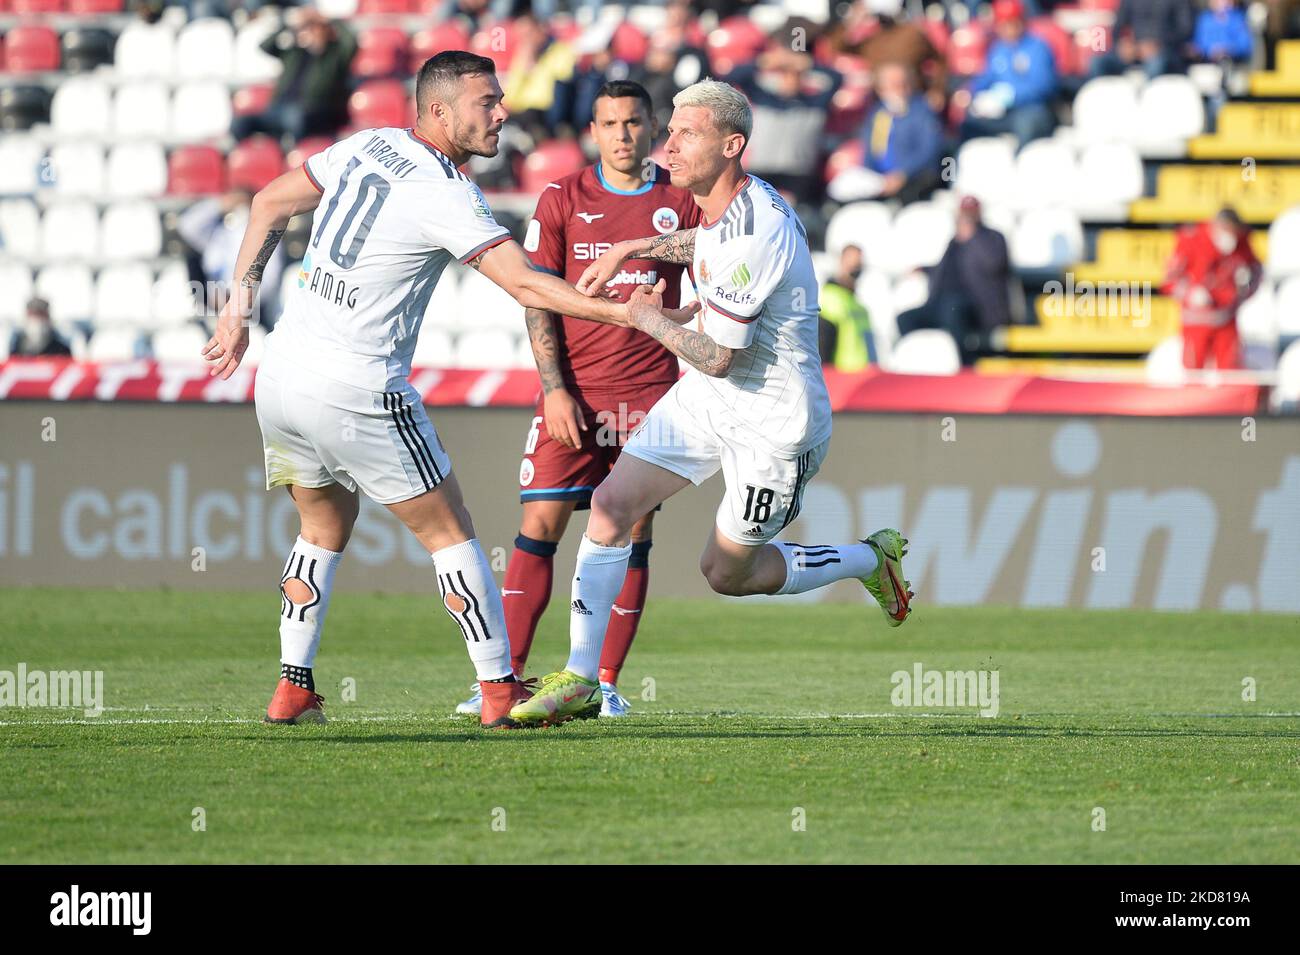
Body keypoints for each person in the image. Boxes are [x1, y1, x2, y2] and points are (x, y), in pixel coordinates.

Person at [200, 51, 695, 730]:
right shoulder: (444, 190)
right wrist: (627, 312)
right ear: (439, 111)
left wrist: (236, 314)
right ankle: (498, 690)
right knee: (452, 529)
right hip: (358, 384)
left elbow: (267, 203)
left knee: (321, 526)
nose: (502, 112)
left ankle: (292, 687)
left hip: (283, 373)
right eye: (486, 102)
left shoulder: (368, 143)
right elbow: (523, 283)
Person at [506, 80, 914, 727]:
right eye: (668, 130)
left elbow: (719, 353)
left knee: (725, 573)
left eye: (685, 132)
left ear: (733, 144)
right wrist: (633, 247)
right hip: (707, 397)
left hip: (772, 427)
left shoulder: (759, 226)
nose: (668, 143)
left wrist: (644, 315)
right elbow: (705, 247)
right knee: (611, 504)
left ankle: (870, 557)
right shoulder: (722, 212)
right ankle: (582, 678)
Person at [453, 80, 703, 720]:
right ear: (593, 130)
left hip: (651, 395)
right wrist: (555, 389)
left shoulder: (682, 201)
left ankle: (604, 680)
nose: (622, 134)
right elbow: (536, 294)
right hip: (574, 395)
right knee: (539, 527)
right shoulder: (563, 198)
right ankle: (500, 681)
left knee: (634, 532)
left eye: (633, 122)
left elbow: (713, 282)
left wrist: (668, 315)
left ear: (653, 128)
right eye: (609, 123)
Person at [724, 31, 842, 198]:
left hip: (798, 174)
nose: (790, 79)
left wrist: (807, 63)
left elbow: (837, 79)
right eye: (785, 74)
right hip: (761, 170)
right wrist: (765, 61)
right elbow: (733, 77)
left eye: (796, 75)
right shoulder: (763, 98)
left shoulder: (815, 104)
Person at [896, 196, 1010, 366]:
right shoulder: (954, 241)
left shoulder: (992, 237)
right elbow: (944, 268)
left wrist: (973, 238)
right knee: (905, 319)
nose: (966, 218)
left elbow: (993, 264)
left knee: (952, 310)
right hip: (940, 302)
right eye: (964, 213)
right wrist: (924, 269)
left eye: (970, 214)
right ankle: (918, 364)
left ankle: (965, 365)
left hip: (976, 306)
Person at [231, 7, 356, 143]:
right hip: (278, 109)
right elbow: (265, 46)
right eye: (304, 29)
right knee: (240, 123)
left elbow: (351, 41)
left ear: (324, 31)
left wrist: (327, 19)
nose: (306, 32)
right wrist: (288, 25)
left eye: (312, 28)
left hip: (312, 112)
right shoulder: (294, 53)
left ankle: (290, 154)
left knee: (296, 118)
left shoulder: (335, 55)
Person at [1161, 208, 1262, 370]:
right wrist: (1190, 294)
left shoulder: (1242, 243)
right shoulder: (1192, 239)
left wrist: (1244, 290)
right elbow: (1169, 280)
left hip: (1226, 319)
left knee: (1230, 369)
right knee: (1193, 371)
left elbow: (1256, 272)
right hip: (1196, 321)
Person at [834, 61, 943, 204]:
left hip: (914, 180)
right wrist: (874, 176)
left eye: (904, 83)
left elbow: (929, 150)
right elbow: (871, 151)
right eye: (894, 85)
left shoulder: (923, 112)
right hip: (880, 180)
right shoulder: (878, 114)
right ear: (881, 89)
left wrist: (903, 174)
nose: (900, 89)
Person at [959, 0, 1058, 148]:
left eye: (1012, 22)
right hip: (1003, 112)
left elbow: (1044, 85)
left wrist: (1012, 96)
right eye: (1004, 24)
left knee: (1026, 124)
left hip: (1032, 109)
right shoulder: (999, 49)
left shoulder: (1037, 47)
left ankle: (1021, 165)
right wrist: (970, 91)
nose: (1008, 28)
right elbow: (988, 77)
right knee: (969, 125)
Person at [1089, 0, 1196, 80]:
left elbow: (1185, 30)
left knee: (1155, 64)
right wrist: (1124, 44)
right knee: (1097, 62)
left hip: (1165, 51)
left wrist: (1158, 44)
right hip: (1134, 51)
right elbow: (1117, 28)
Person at [819, 245, 874, 370]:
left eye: (859, 264)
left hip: (862, 378)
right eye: (853, 264)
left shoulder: (858, 305)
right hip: (841, 379)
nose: (856, 268)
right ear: (841, 262)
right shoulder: (830, 299)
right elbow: (823, 348)